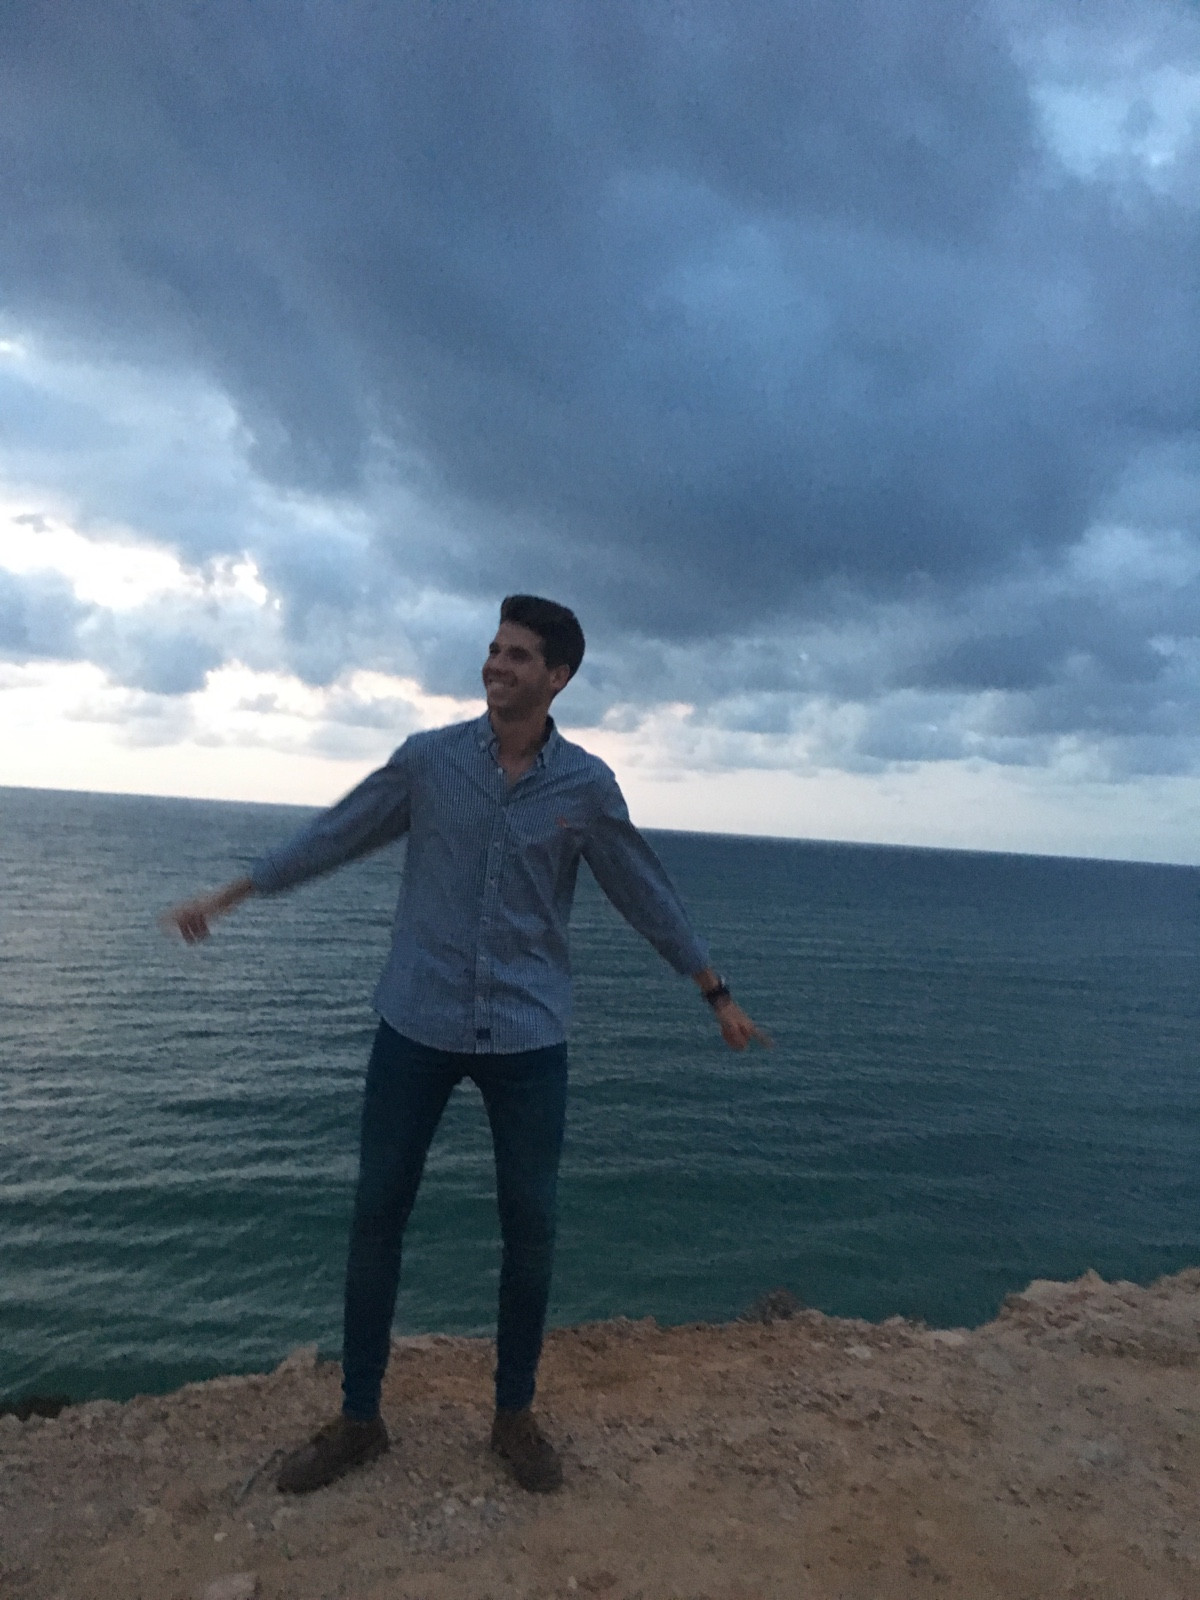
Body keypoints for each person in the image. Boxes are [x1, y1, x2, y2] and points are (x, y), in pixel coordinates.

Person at [162, 594, 770, 1496]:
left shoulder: (586, 787)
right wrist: (232, 894)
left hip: (527, 1038)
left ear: (557, 677)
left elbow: (644, 891)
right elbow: (337, 833)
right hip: (417, 1023)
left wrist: (713, 990)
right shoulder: (430, 761)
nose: (497, 665)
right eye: (494, 649)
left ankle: (513, 1416)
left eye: (518, 655)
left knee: (531, 1227)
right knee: (378, 1216)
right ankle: (359, 1419)